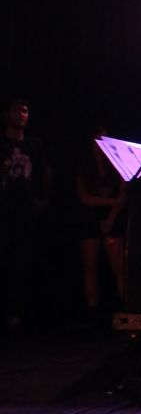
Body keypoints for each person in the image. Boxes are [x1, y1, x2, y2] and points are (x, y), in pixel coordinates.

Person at [0, 95, 52, 331]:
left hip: (26, 213)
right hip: (5, 211)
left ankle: (18, 314)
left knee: (22, 263)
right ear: (7, 114)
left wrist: (42, 200)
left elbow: (47, 173)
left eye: (25, 111)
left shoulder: (34, 145)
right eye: (16, 110)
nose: (21, 115)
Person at [76, 125, 127, 326]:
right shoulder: (84, 165)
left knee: (119, 267)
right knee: (90, 266)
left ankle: (125, 308)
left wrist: (111, 217)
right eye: (97, 140)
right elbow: (84, 197)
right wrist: (110, 202)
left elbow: (123, 194)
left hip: (113, 216)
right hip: (90, 218)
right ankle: (93, 314)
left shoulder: (116, 163)